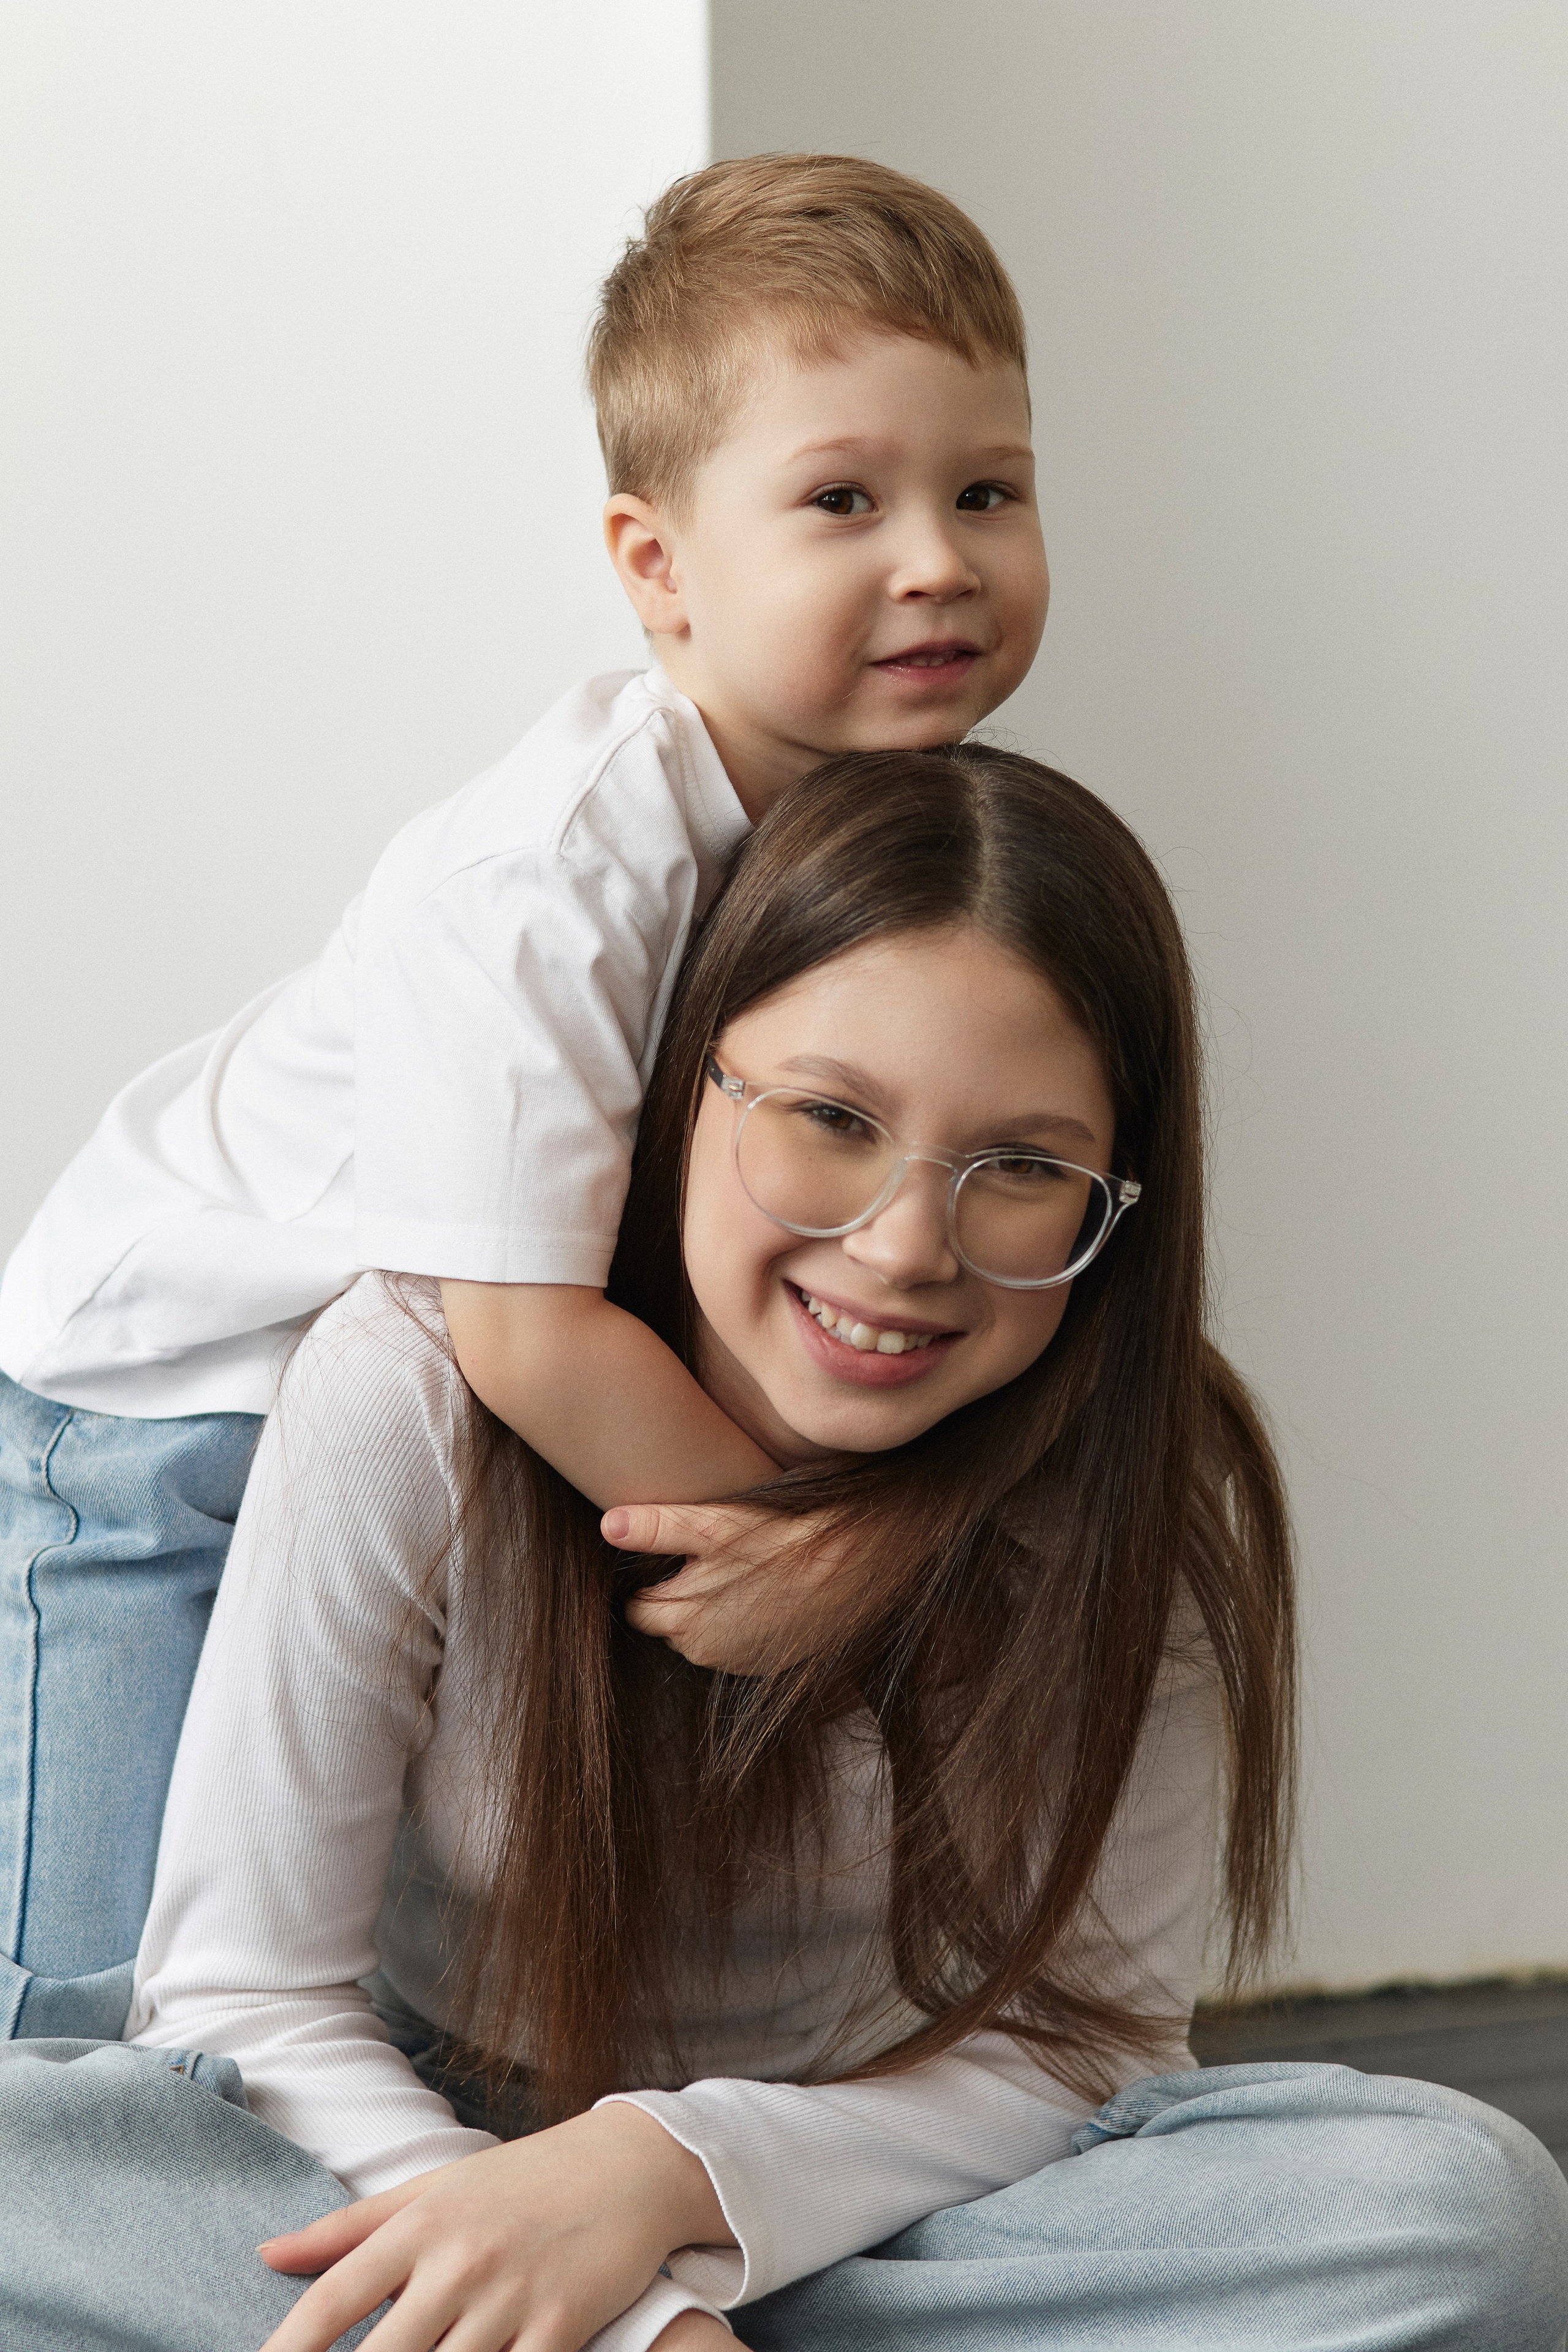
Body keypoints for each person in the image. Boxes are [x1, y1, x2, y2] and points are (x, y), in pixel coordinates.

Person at [2, 750, 1562, 2352]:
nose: (901, 1246)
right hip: (410, 2155)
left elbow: (1076, 2051)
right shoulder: (415, 1376)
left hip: (853, 2203)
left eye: (1022, 1170)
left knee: (1459, 2208)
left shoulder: (1129, 1478)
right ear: (684, 1089)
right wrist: (635, 2327)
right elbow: (246, 2001)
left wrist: (665, 2180)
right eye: (829, 1119)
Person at [0, 153, 1052, 2036]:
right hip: (155, 1413)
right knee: (88, 1993)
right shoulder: (554, 875)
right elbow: (523, 1325)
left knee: (339, 1966)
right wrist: (820, 1559)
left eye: (988, 491)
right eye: (844, 501)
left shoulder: (869, 847)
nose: (939, 559)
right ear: (657, 566)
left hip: (400, 1406)